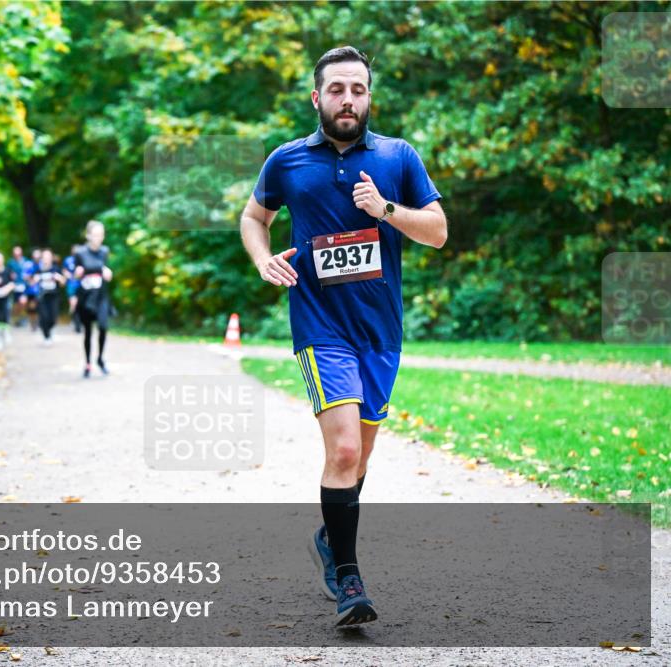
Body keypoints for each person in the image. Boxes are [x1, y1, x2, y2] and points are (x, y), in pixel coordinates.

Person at [240, 46, 447, 626]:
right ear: (317, 97)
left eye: (357, 89)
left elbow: (437, 231)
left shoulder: (397, 157)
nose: (347, 99)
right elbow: (253, 218)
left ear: (369, 97)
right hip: (319, 326)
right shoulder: (286, 161)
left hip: (380, 332)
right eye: (336, 89)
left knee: (358, 462)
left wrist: (384, 209)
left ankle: (331, 539)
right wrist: (262, 260)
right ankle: (350, 581)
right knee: (345, 450)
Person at [74, 221, 114, 378]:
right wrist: (77, 273)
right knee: (88, 332)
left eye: (101, 234)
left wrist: (108, 273)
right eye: (96, 234)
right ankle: (88, 363)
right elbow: (75, 273)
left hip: (101, 296)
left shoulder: (105, 251)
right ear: (88, 235)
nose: (99, 238)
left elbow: (107, 271)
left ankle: (100, 359)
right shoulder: (80, 252)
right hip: (86, 298)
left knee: (103, 327)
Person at [30, 248, 65, 344]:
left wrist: (59, 278)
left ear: (51, 258)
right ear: (42, 258)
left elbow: (63, 283)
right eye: (44, 257)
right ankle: (46, 336)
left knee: (53, 317)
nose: (46, 259)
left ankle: (50, 330)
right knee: (44, 317)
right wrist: (35, 280)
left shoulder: (56, 269)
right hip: (42, 297)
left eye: (48, 257)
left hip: (54, 296)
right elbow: (31, 283)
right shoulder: (38, 269)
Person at [7, 246, 28, 327]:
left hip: (24, 285)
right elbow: (7, 273)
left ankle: (23, 318)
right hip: (15, 286)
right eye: (15, 254)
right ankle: (17, 318)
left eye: (18, 254)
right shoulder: (10, 263)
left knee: (23, 302)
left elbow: (30, 271)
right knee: (16, 304)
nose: (17, 255)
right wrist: (10, 275)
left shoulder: (26, 261)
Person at [62, 245, 82, 333]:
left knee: (81, 305)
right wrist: (68, 275)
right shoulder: (68, 260)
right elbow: (64, 270)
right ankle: (76, 322)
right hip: (71, 284)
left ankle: (79, 322)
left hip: (82, 285)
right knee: (74, 304)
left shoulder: (83, 259)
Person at [24, 248, 41, 332]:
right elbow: (25, 276)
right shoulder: (28, 264)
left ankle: (38, 322)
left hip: (41, 290)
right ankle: (32, 323)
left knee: (39, 307)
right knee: (31, 309)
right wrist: (32, 279)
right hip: (31, 291)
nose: (37, 257)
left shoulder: (42, 264)